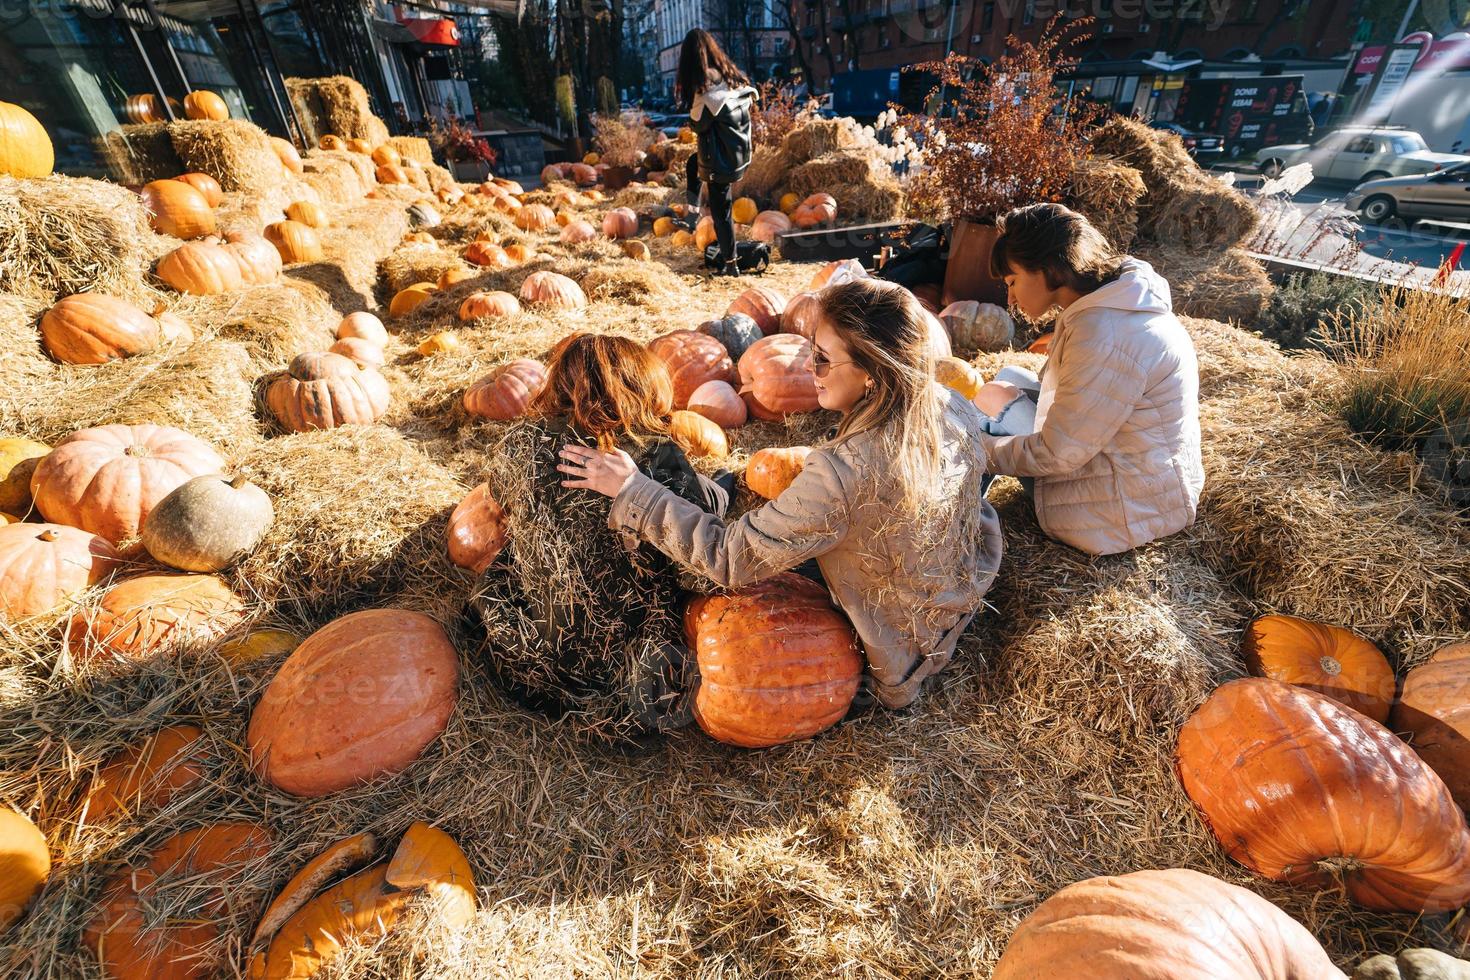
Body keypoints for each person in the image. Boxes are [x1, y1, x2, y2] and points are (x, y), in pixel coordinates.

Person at [559, 279, 1004, 711]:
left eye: (825, 359)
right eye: (812, 350)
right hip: (950, 609)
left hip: (891, 654)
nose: (811, 368)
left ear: (873, 372)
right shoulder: (949, 403)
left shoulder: (841, 474)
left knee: (703, 579)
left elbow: (730, 558)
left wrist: (634, 490)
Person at [465, 333, 733, 748]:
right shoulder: (655, 454)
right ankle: (724, 487)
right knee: (703, 503)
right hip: (623, 665)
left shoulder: (520, 442)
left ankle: (720, 487)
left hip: (531, 647)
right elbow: (698, 568)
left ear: (560, 383)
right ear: (642, 385)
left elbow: (501, 498)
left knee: (509, 564)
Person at [973, 202, 1203, 557]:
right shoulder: (1117, 302)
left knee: (980, 430)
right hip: (1146, 485)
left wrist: (976, 452)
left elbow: (1058, 453)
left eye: (1013, 281)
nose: (1011, 298)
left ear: (1046, 268)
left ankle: (949, 523)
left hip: (1119, 510)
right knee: (1005, 379)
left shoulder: (1104, 332)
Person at [677, 29, 757, 277]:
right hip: (738, 153)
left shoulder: (707, 91)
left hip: (721, 161)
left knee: (722, 210)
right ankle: (692, 216)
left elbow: (697, 124)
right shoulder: (730, 78)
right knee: (692, 163)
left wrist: (694, 106)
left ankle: (731, 265)